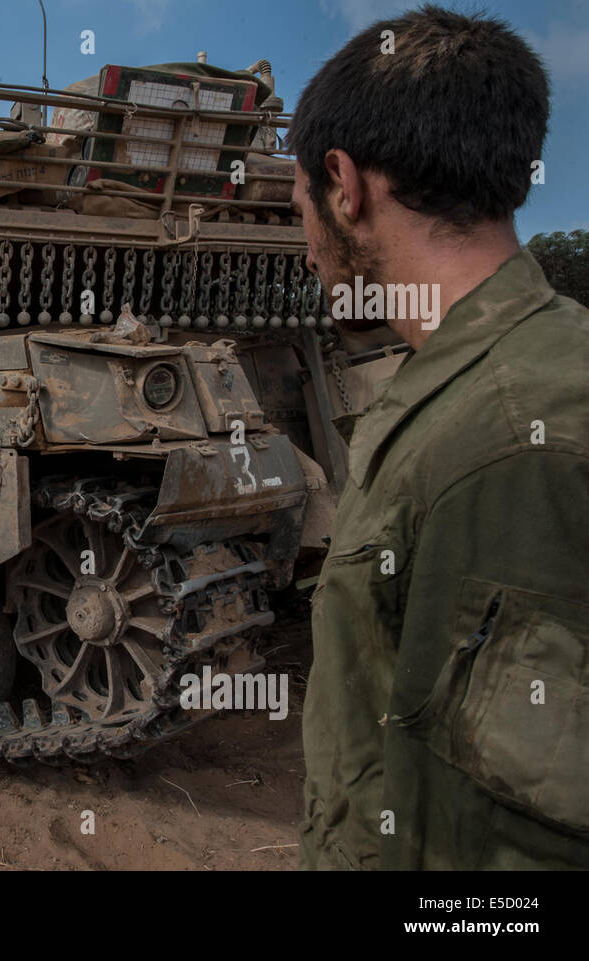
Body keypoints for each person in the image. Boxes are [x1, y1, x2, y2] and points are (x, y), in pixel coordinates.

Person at [289, 5, 589, 869]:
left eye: (300, 201)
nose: (305, 244)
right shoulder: (498, 379)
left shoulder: (511, 445)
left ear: (345, 185)